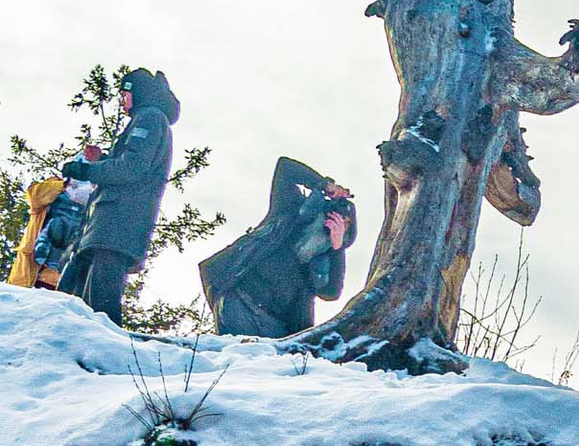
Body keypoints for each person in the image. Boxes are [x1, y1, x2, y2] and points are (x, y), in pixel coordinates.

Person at [58, 67, 181, 327]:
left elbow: (132, 168)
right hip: (109, 225)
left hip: (118, 224)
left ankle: (104, 348)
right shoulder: (147, 119)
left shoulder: (149, 118)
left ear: (138, 93)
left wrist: (87, 170)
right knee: (77, 300)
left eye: (124, 94)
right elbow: (132, 165)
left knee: (100, 308)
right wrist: (102, 161)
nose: (122, 101)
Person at [200, 160, 358, 338]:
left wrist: (337, 249)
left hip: (278, 328)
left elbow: (331, 293)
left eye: (345, 224)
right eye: (336, 216)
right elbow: (285, 168)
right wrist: (325, 185)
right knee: (239, 349)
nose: (337, 224)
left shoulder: (327, 258)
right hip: (239, 301)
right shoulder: (289, 213)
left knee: (263, 355)